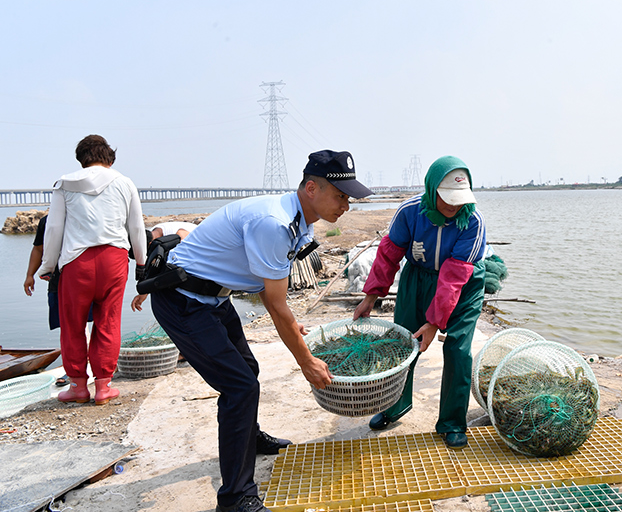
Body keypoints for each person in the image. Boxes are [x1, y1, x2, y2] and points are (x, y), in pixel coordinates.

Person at [146, 150, 371, 512]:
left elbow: (276, 295)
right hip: (182, 300)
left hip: (213, 298)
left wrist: (291, 325)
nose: (347, 205)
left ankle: (248, 437)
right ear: (311, 188)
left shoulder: (302, 220)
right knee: (239, 386)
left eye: (349, 198)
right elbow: (275, 304)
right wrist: (306, 361)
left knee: (247, 372)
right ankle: (236, 498)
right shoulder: (274, 222)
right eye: (341, 195)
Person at [353, 156, 486, 450]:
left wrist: (435, 322)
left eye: (459, 199)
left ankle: (452, 422)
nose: (453, 206)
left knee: (458, 350)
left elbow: (453, 278)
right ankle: (395, 404)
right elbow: (389, 254)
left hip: (463, 284)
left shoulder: (473, 222)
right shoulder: (410, 212)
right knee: (403, 342)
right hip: (419, 277)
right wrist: (371, 296)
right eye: (447, 198)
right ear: (431, 191)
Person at [36, 135, 147, 405]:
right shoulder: (125, 182)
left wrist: (47, 265)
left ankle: (77, 387)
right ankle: (104, 387)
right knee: (108, 322)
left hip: (77, 263)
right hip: (115, 260)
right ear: (110, 157)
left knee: (73, 325)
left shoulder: (64, 184)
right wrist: (142, 264)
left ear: (81, 159)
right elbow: (136, 227)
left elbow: (54, 229)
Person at [129, 221, 198, 312]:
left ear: (149, 244)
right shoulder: (156, 233)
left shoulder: (179, 235)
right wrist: (145, 291)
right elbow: (154, 268)